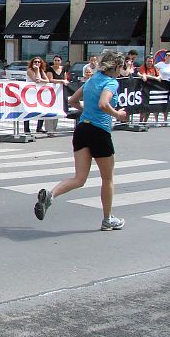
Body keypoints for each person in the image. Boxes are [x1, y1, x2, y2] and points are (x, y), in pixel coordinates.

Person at [35, 51, 128, 231]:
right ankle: (108, 219)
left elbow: (72, 100)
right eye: (121, 68)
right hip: (99, 130)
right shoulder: (111, 82)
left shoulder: (93, 79)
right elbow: (103, 104)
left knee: (79, 178)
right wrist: (118, 114)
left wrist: (87, 108)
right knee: (107, 178)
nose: (121, 71)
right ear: (115, 67)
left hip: (82, 129)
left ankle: (51, 195)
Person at [45, 55, 69, 136]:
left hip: (60, 93)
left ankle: (53, 130)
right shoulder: (50, 69)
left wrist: (63, 81)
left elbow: (66, 79)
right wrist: (61, 81)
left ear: (61, 61)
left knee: (57, 111)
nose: (57, 62)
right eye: (55, 60)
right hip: (51, 92)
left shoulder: (63, 69)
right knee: (50, 110)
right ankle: (49, 130)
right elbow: (50, 80)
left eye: (58, 60)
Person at [25, 57, 48, 134]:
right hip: (30, 93)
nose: (37, 63)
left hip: (39, 93)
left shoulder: (41, 70)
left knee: (42, 109)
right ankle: (26, 129)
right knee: (28, 110)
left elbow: (47, 80)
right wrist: (37, 70)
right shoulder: (30, 70)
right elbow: (36, 80)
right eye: (35, 62)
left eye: (39, 62)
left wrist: (39, 71)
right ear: (32, 63)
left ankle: (39, 127)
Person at [137, 55, 161, 125]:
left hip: (152, 89)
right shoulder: (143, 67)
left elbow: (159, 75)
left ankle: (145, 122)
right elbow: (142, 74)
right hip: (144, 89)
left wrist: (158, 77)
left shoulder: (155, 68)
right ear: (146, 61)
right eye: (148, 61)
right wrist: (154, 78)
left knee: (150, 107)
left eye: (151, 61)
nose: (150, 63)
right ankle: (140, 122)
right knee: (143, 107)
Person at [155, 50, 170, 125]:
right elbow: (155, 72)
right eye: (166, 55)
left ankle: (165, 120)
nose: (167, 56)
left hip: (169, 85)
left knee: (167, 103)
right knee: (158, 102)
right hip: (160, 85)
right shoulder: (159, 64)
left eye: (169, 55)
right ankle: (156, 121)